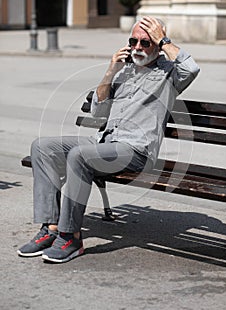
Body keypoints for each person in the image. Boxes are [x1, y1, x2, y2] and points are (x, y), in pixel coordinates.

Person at [17, 16, 200, 263]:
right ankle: (50, 228)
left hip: (136, 151)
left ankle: (70, 237)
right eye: (133, 41)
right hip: (105, 144)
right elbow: (98, 111)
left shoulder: (169, 74)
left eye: (145, 43)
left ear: (157, 45)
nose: (137, 47)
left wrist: (164, 39)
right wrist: (110, 71)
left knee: (79, 156)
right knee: (43, 147)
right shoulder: (124, 72)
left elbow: (191, 68)